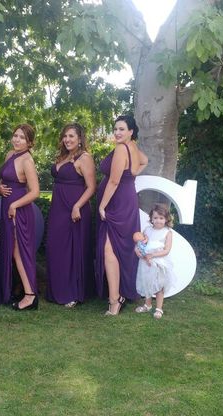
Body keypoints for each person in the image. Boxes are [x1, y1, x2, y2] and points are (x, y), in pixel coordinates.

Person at [96, 114, 148, 315]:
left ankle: (114, 301)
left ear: (131, 131)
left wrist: (102, 206)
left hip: (117, 202)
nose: (117, 133)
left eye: (122, 129)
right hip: (128, 200)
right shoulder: (132, 147)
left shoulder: (121, 149)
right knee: (119, 248)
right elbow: (144, 162)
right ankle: (118, 295)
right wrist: (132, 174)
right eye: (115, 129)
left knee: (110, 250)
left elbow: (114, 181)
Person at [45, 123, 96, 307]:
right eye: (65, 136)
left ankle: (73, 293)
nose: (67, 139)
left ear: (80, 138)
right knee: (56, 247)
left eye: (71, 136)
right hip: (58, 208)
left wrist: (77, 206)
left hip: (75, 209)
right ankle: (57, 290)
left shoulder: (85, 158)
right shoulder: (64, 156)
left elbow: (91, 187)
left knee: (73, 250)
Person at [0, 124, 40, 311]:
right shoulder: (10, 155)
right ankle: (16, 289)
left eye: (22, 137)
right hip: (7, 207)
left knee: (18, 251)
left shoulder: (27, 160)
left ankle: (30, 296)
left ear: (29, 142)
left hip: (18, 210)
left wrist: (14, 204)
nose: (16, 140)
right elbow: (1, 181)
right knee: (10, 250)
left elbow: (35, 192)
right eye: (15, 135)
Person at [134, 204, 175, 319]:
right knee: (147, 283)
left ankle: (159, 308)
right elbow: (141, 243)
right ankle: (147, 305)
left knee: (159, 284)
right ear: (151, 218)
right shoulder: (147, 230)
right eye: (155, 218)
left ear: (166, 219)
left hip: (159, 262)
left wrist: (153, 255)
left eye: (161, 218)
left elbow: (166, 250)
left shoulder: (168, 232)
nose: (158, 221)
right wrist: (137, 249)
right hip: (146, 262)